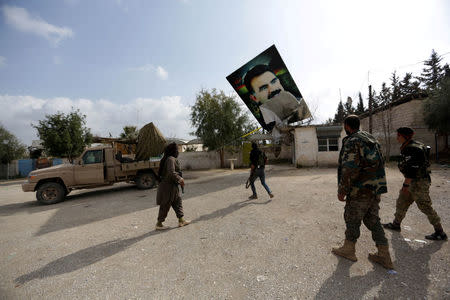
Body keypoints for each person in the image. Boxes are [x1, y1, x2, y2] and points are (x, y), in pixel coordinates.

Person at [332, 115, 394, 269]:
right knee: (372, 219)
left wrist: (342, 190)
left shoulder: (353, 141)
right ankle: (384, 255)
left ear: (347, 125)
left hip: (360, 190)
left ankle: (349, 249)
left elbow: (349, 168)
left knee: (352, 217)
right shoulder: (370, 139)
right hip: (375, 187)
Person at [383, 127, 447, 240]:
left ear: (405, 136)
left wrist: (406, 185)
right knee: (402, 201)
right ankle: (396, 224)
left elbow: (412, 169)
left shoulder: (411, 148)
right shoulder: (413, 145)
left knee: (425, 206)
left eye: (399, 135)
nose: (397, 137)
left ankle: (440, 232)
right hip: (414, 180)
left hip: (419, 182)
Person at [243, 64, 308, 141]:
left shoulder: (303, 103)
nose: (273, 89)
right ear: (254, 98)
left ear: (279, 81)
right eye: (264, 88)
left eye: (273, 81)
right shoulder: (267, 124)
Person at [155, 143, 190, 230]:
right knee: (165, 204)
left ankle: (181, 220)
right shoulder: (171, 159)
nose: (178, 151)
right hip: (168, 186)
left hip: (172, 186)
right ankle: (159, 224)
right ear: (173, 151)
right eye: (177, 149)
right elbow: (171, 172)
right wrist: (180, 179)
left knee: (177, 202)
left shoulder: (170, 158)